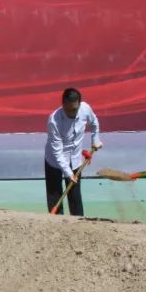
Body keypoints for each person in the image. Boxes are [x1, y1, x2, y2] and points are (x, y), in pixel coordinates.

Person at [44, 87, 103, 216]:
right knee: (55, 194)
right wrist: (68, 173)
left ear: (79, 104)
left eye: (75, 110)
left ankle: (78, 221)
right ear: (63, 105)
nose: (72, 114)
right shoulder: (54, 120)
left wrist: (95, 139)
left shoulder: (85, 109)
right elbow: (57, 151)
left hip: (75, 159)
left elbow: (94, 123)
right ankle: (56, 221)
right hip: (55, 160)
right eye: (69, 110)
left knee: (75, 195)